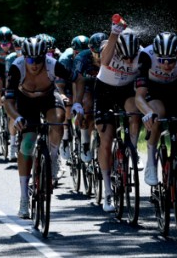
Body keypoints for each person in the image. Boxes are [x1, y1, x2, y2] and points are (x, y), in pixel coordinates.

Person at [4, 37, 85, 218]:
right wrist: (16, 117)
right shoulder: (17, 68)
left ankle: (54, 156)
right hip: (25, 102)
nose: (34, 64)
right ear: (24, 57)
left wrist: (78, 103)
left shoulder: (53, 64)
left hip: (49, 97)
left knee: (58, 120)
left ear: (44, 57)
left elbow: (79, 80)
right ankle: (24, 198)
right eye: (30, 60)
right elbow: (7, 101)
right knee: (27, 143)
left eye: (38, 60)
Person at [74, 20, 144, 213]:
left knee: (134, 114)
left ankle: (133, 150)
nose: (129, 62)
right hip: (104, 90)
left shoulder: (140, 51)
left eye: (132, 58)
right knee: (106, 139)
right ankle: (107, 190)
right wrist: (113, 34)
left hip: (126, 91)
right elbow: (104, 61)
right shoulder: (109, 46)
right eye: (125, 58)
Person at [135, 31, 177, 224]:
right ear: (156, 54)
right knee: (157, 114)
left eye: (171, 60)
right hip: (154, 94)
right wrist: (147, 112)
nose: (166, 64)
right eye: (163, 60)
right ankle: (150, 161)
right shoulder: (146, 55)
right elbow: (139, 96)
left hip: (176, 93)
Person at [71, 32, 108, 163]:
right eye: (96, 54)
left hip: (104, 85)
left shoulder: (113, 55)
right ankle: (85, 142)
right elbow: (77, 82)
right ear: (90, 50)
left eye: (102, 54)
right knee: (87, 106)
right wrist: (77, 104)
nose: (99, 58)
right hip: (85, 86)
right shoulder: (82, 57)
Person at [56, 35, 89, 160]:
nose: (80, 55)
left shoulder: (88, 58)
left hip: (82, 83)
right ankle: (65, 139)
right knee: (67, 107)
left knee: (85, 106)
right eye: (77, 53)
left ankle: (85, 141)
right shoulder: (65, 59)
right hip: (66, 84)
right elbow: (60, 86)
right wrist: (64, 98)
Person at [4, 35, 25, 161]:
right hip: (15, 86)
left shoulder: (30, 58)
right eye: (17, 49)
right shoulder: (10, 59)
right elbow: (9, 80)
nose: (19, 52)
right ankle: (12, 144)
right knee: (14, 112)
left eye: (21, 49)